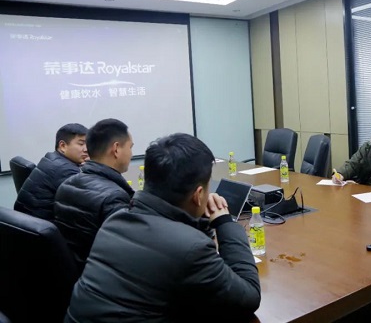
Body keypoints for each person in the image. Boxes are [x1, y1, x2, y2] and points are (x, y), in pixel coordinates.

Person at [65, 133, 261, 322]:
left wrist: (197, 219)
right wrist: (224, 222)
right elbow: (249, 296)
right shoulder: (190, 249)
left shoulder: (115, 221)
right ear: (199, 194)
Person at [54, 118, 134, 273]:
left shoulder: (67, 184)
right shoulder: (114, 198)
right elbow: (127, 255)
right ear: (116, 149)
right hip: (101, 275)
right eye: (130, 147)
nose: (131, 154)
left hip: (77, 271)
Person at [14, 123, 88, 221]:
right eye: (81, 144)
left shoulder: (52, 158)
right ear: (62, 146)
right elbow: (88, 202)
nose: (86, 149)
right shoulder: (65, 170)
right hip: (43, 225)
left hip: (29, 221)